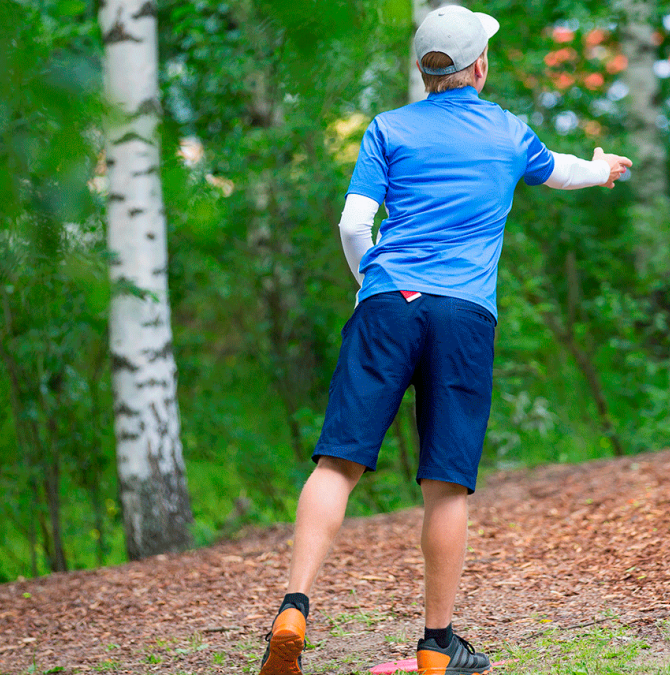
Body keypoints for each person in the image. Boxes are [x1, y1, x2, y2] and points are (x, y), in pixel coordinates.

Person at [257, 6, 632, 675]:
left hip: (387, 304)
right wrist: (603, 168)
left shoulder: (387, 129)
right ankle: (436, 646)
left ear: (425, 69)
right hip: (462, 317)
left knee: (337, 462)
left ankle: (293, 606)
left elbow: (352, 222)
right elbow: (561, 170)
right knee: (444, 485)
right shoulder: (510, 133)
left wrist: (371, 280)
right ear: (479, 66)